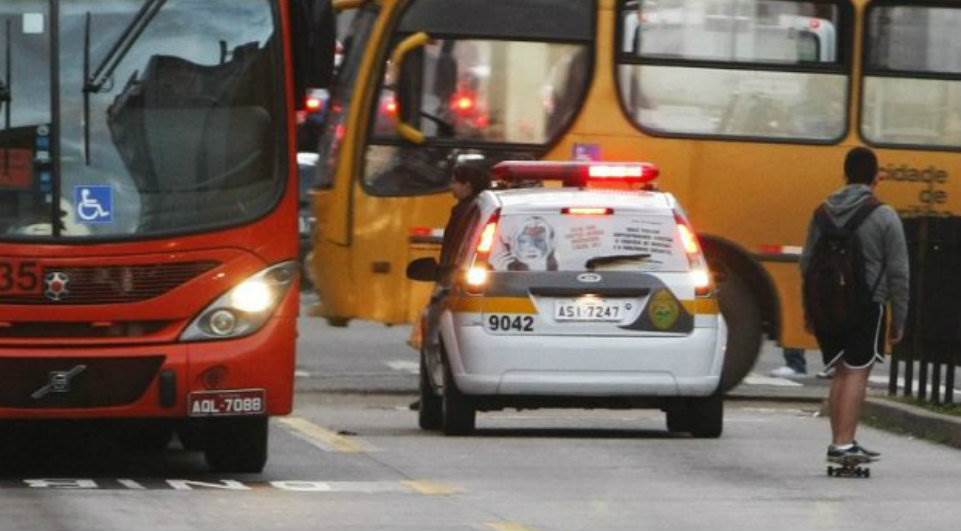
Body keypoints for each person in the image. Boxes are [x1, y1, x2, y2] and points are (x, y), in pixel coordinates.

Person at [801, 146, 909, 464]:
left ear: (845, 174)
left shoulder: (821, 213)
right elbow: (899, 272)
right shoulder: (884, 214)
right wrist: (899, 318)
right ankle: (844, 444)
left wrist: (810, 310)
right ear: (876, 176)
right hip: (867, 305)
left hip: (827, 305)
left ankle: (841, 440)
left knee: (840, 371)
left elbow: (807, 263)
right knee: (857, 372)